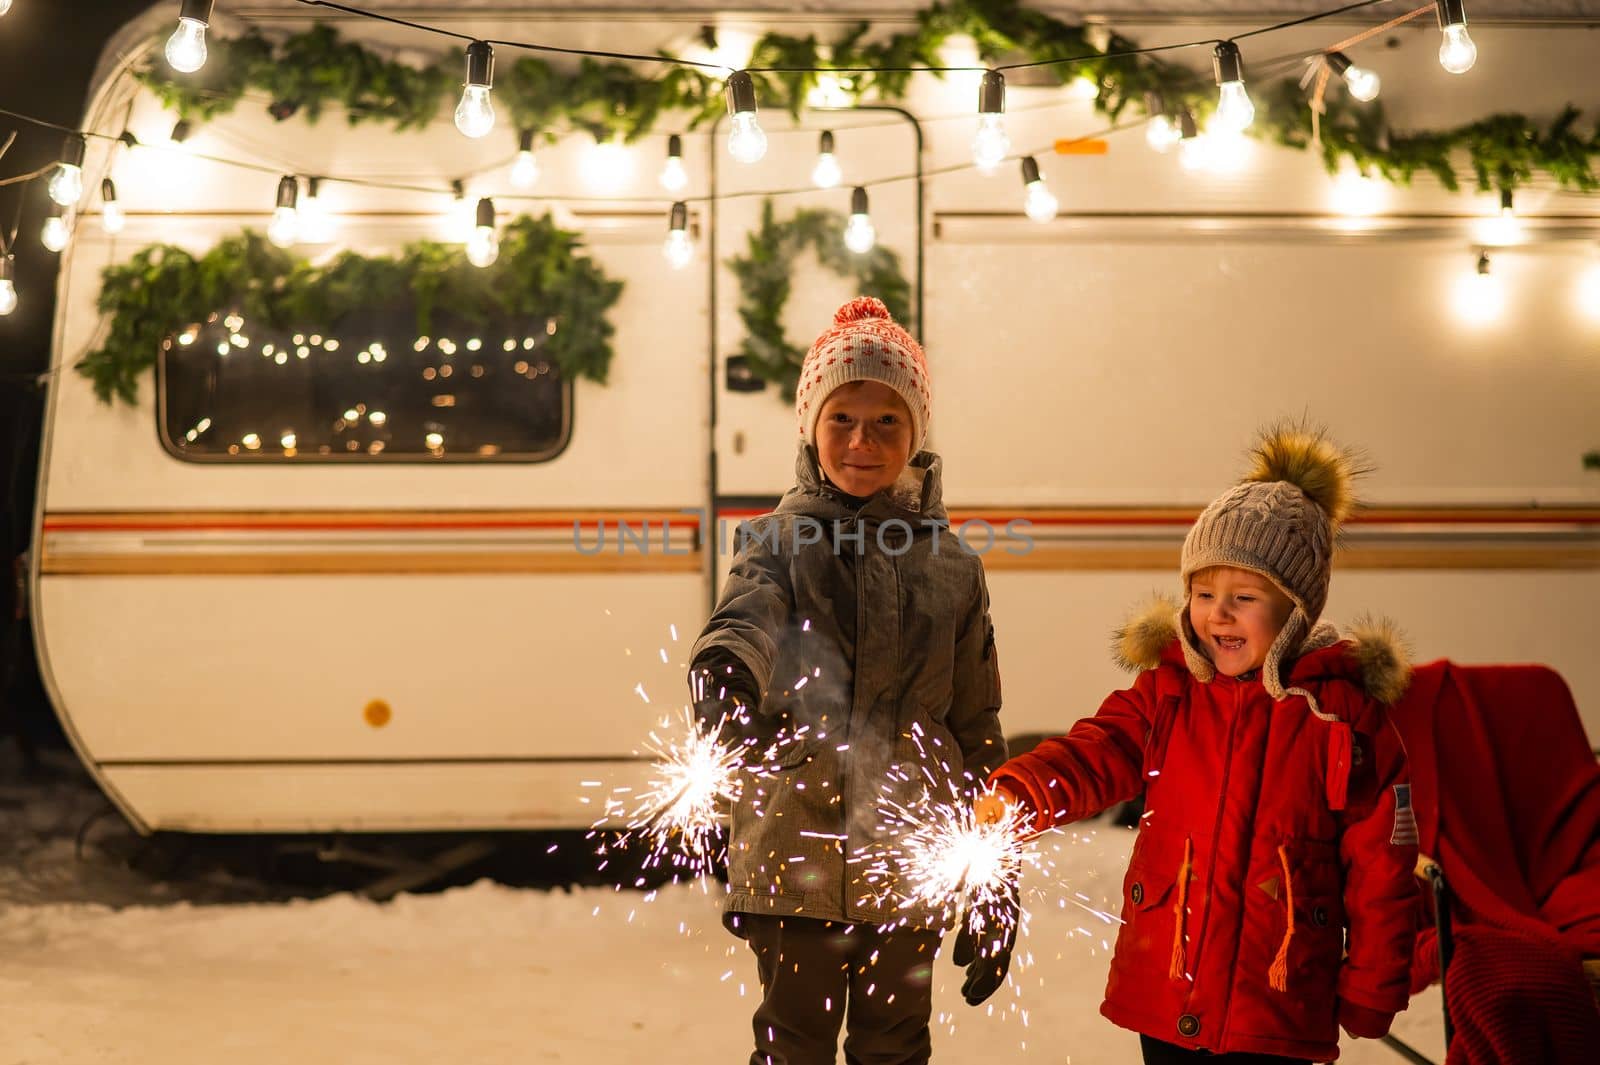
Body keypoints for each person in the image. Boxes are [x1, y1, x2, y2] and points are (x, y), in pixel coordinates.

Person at [977, 423, 1417, 1064]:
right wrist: (1019, 792)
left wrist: (1374, 983)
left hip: (1278, 991)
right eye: (1203, 594)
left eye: (1244, 598)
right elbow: (1100, 749)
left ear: (1298, 609)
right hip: (1168, 981)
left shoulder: (1340, 714)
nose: (1218, 614)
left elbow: (1383, 865)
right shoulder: (1168, 691)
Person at [690, 296, 1006, 1065]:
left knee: (895, 1048)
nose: (862, 440)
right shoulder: (775, 542)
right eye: (842, 418)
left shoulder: (954, 568)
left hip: (907, 861)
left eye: (887, 421)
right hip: (795, 857)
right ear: (811, 425)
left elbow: (977, 725)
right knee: (793, 1045)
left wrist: (997, 870)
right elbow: (748, 615)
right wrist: (726, 670)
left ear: (916, 433)